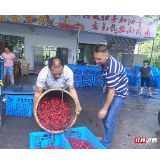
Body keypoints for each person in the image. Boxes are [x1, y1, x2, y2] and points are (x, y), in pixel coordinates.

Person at [93, 43, 129, 149]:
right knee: (104, 118)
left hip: (119, 93)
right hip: (110, 89)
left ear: (107, 56)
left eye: (99, 59)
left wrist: (105, 109)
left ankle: (105, 144)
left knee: (109, 119)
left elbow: (112, 93)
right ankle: (106, 137)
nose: (96, 61)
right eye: (95, 58)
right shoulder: (104, 62)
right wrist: (107, 84)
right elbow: (108, 76)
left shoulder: (112, 67)